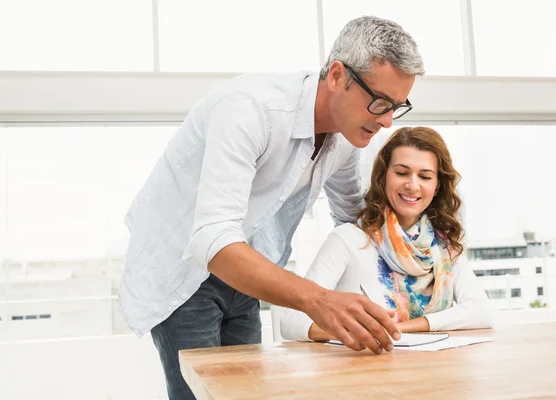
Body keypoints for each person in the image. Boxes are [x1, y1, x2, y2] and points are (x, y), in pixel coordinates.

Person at [119, 16, 424, 399]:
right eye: (379, 102)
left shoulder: (347, 138)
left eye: (397, 106)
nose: (386, 120)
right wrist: (320, 300)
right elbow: (212, 239)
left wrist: (412, 261)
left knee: (246, 393)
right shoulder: (250, 109)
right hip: (183, 272)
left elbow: (353, 216)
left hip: (249, 272)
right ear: (336, 75)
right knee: (202, 394)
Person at [281, 127, 493, 343]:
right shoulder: (347, 240)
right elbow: (291, 321)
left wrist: (399, 328)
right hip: (364, 372)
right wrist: (359, 332)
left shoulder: (444, 247)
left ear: (437, 186)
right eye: (401, 173)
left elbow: (480, 311)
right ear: (383, 177)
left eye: (425, 176)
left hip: (435, 371)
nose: (412, 185)